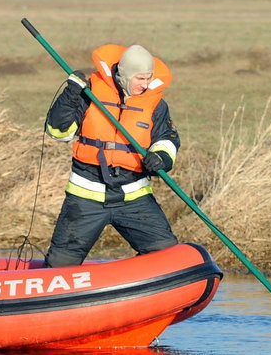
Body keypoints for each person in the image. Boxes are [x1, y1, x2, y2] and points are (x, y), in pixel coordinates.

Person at [43, 44, 180, 267]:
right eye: (140, 79)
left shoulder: (156, 104)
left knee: (164, 251)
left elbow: (167, 140)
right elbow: (57, 132)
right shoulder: (89, 94)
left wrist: (161, 158)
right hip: (85, 197)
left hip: (134, 197)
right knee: (61, 263)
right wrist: (70, 95)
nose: (145, 86)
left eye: (148, 79)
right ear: (124, 75)